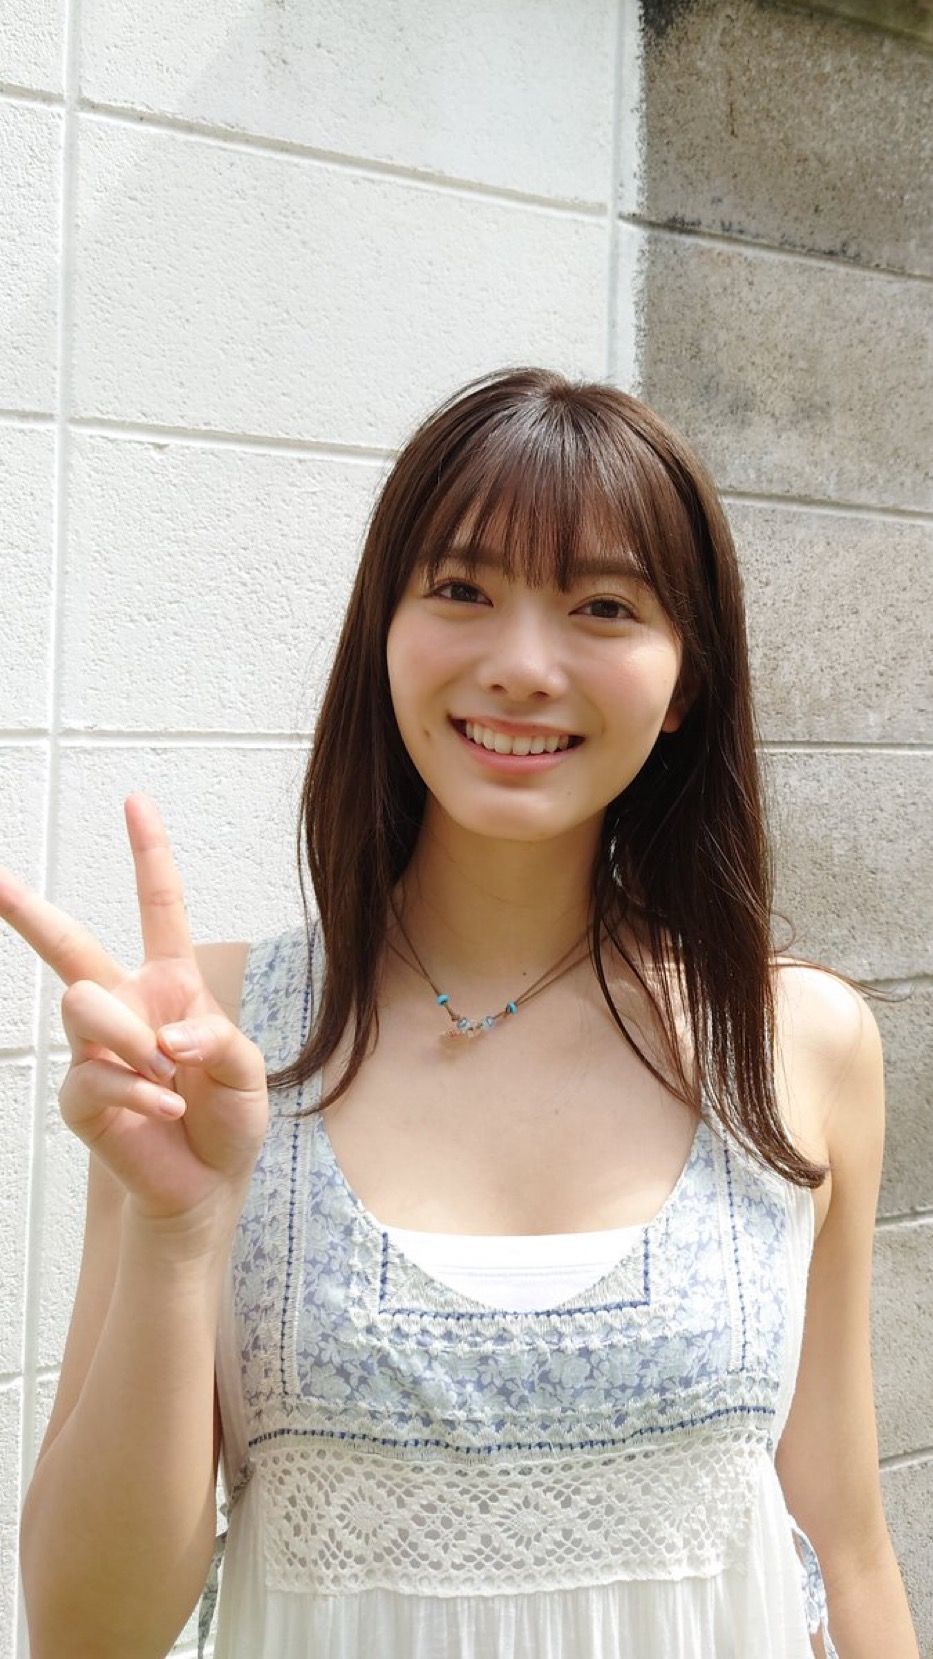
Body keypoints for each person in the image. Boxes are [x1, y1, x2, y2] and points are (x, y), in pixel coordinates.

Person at [12, 367, 919, 1658]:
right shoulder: (212, 1041)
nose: (522, 667)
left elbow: (842, 1540)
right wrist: (177, 1232)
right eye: (461, 591)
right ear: (382, 634)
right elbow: (87, 1634)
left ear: (684, 683)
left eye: (603, 606)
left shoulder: (796, 1039)